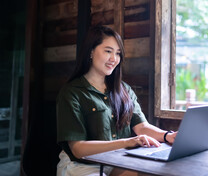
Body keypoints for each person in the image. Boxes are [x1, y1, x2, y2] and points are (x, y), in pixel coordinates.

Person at [56, 25, 176, 176]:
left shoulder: (124, 89)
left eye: (118, 53)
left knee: (156, 172)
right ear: (91, 51)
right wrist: (127, 142)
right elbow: (78, 149)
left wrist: (167, 136)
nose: (114, 59)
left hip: (117, 161)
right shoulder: (72, 93)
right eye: (108, 51)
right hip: (81, 166)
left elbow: (142, 126)